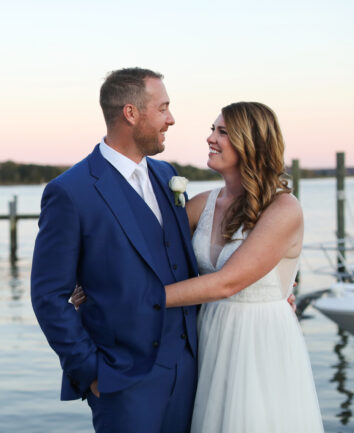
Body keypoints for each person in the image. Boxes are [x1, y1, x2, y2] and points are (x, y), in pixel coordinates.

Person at [73, 102, 324, 432]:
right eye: (212, 129)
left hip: (258, 341)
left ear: (252, 143)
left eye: (222, 132)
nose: (210, 139)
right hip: (207, 335)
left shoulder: (283, 208)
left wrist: (129, 298)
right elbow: (144, 248)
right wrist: (90, 278)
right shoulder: (203, 204)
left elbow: (226, 283)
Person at [31, 67, 199, 433]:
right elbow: (48, 296)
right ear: (131, 113)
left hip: (188, 370)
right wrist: (91, 372)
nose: (171, 119)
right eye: (163, 108)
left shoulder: (166, 174)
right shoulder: (71, 191)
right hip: (121, 380)